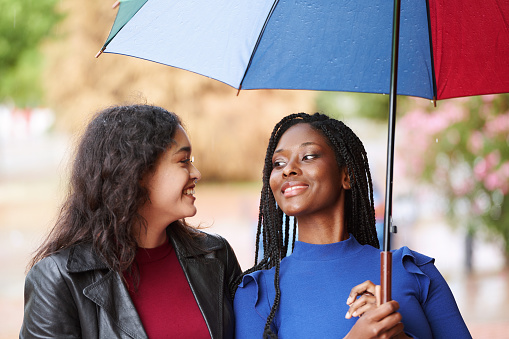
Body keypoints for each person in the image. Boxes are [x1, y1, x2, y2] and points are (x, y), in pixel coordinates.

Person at [233, 113, 471, 338]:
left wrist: (397, 335)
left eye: (308, 156)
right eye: (278, 162)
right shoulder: (257, 292)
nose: (288, 170)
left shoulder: (415, 271)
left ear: (347, 176)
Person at [20, 104, 242, 339]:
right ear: (136, 173)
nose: (196, 173)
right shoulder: (59, 279)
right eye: (183, 161)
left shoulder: (216, 255)